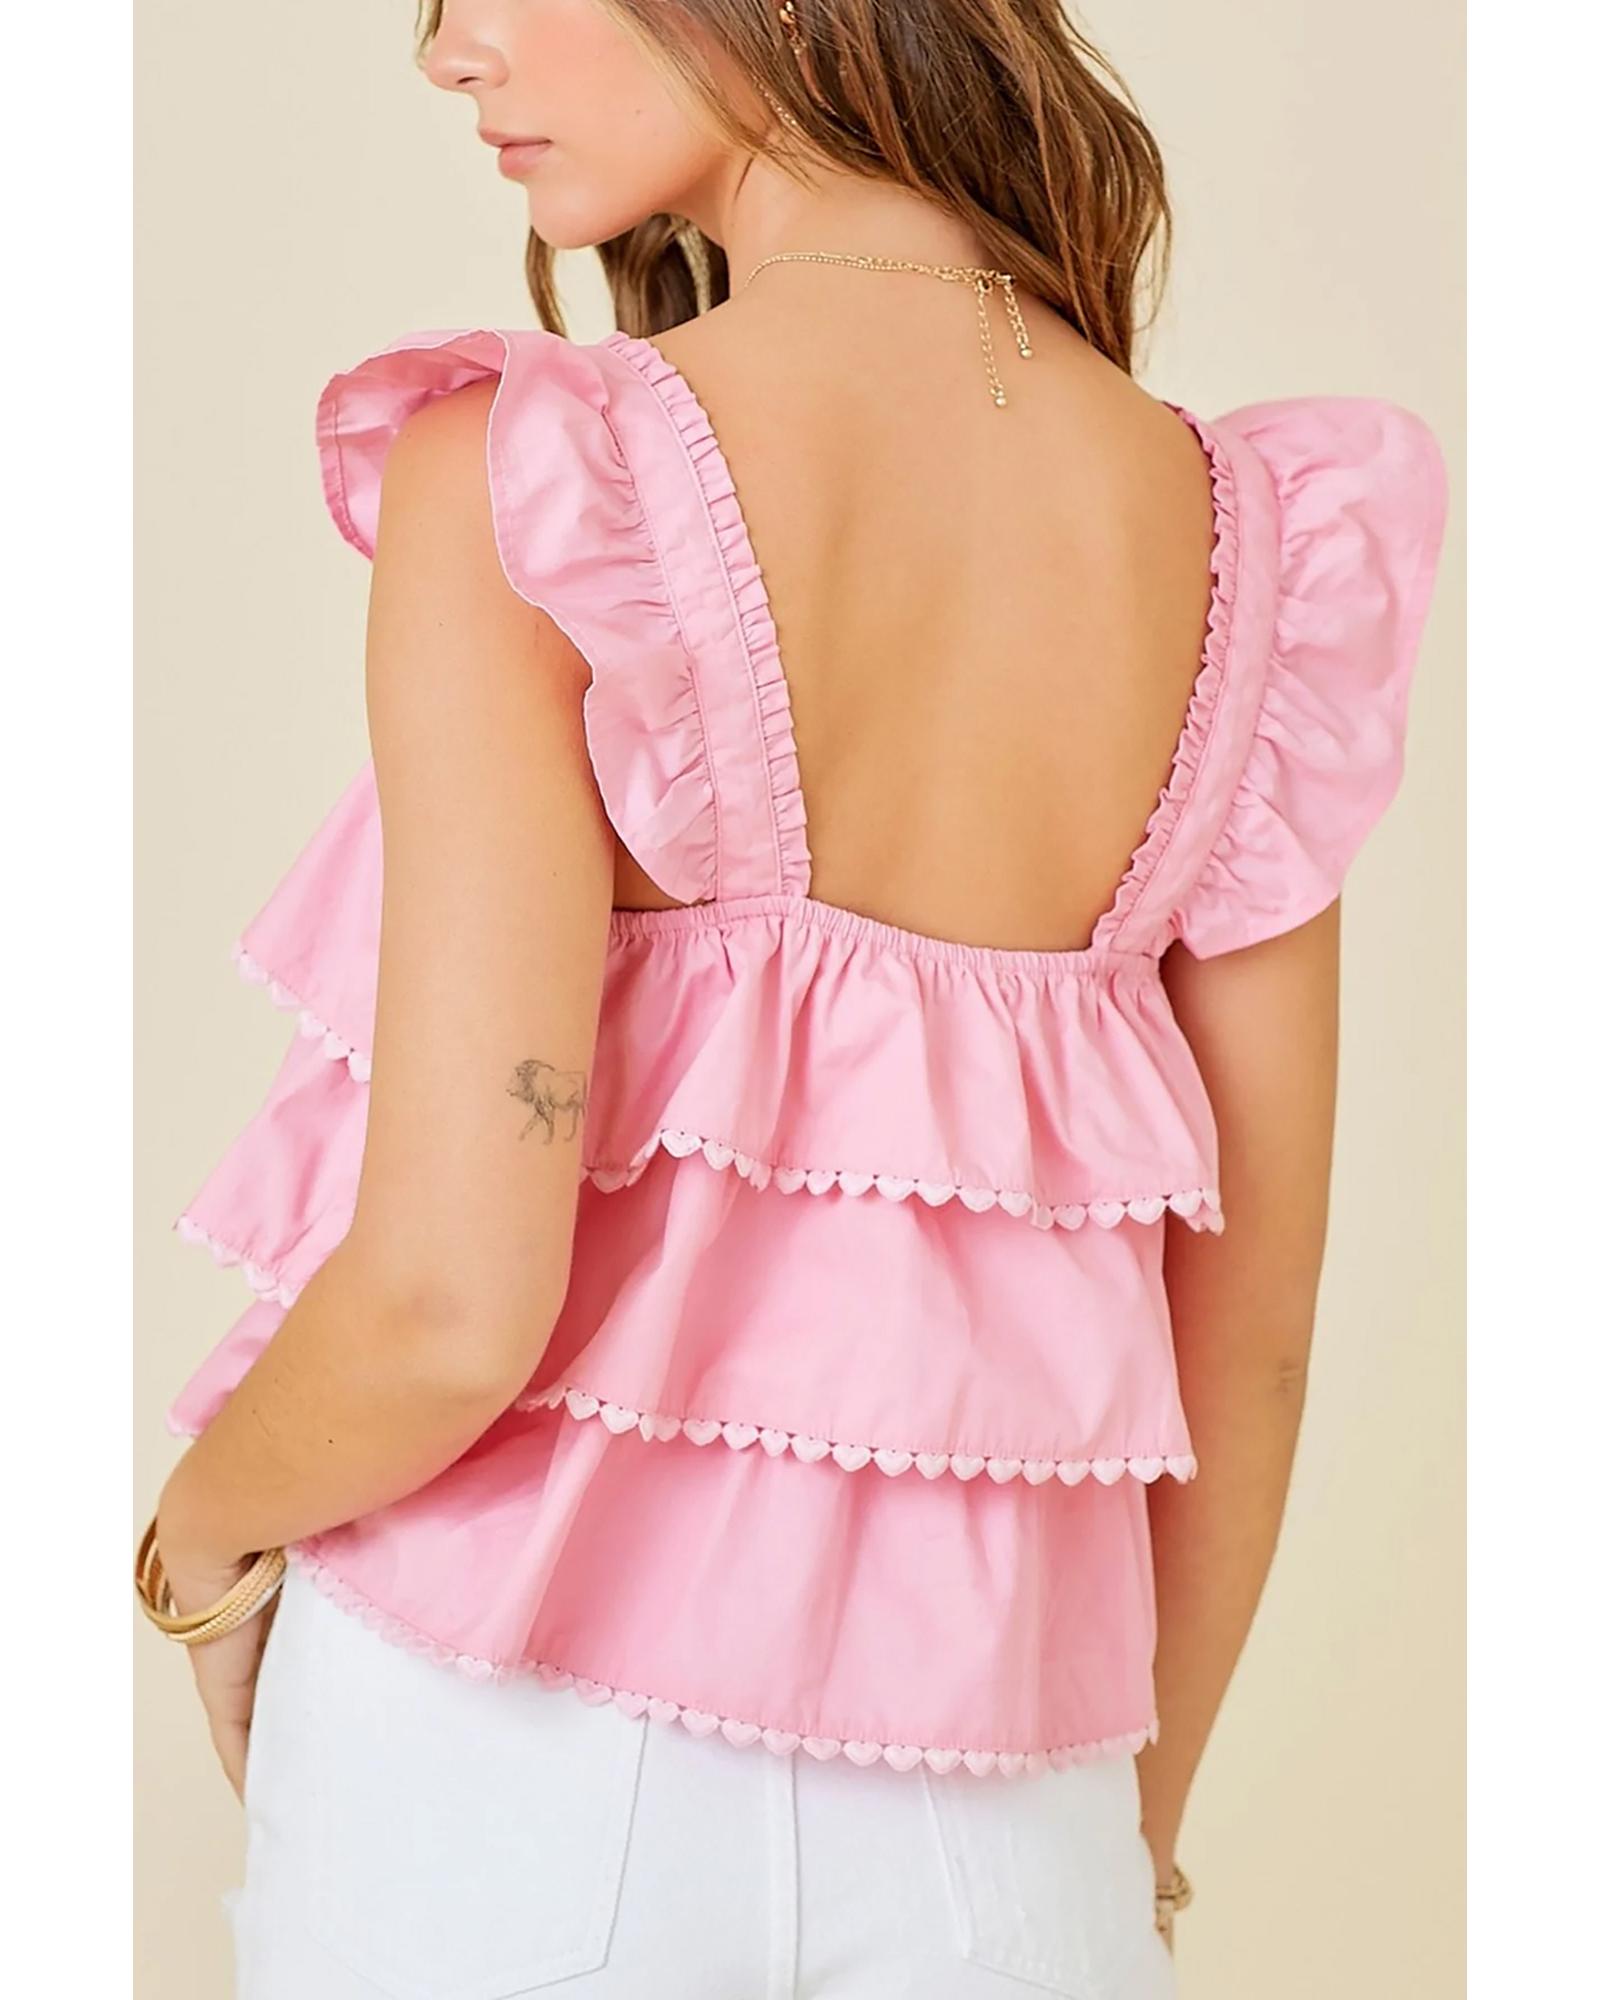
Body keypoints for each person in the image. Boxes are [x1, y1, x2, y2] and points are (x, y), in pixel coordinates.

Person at [136, 3, 1448, 1995]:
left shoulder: (539, 477)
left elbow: (446, 1305)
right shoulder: (1256, 550)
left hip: (503, 1766)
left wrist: (198, 1544)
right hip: (1016, 1811)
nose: (447, 50)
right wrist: (1126, 1842)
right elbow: (1244, 1349)